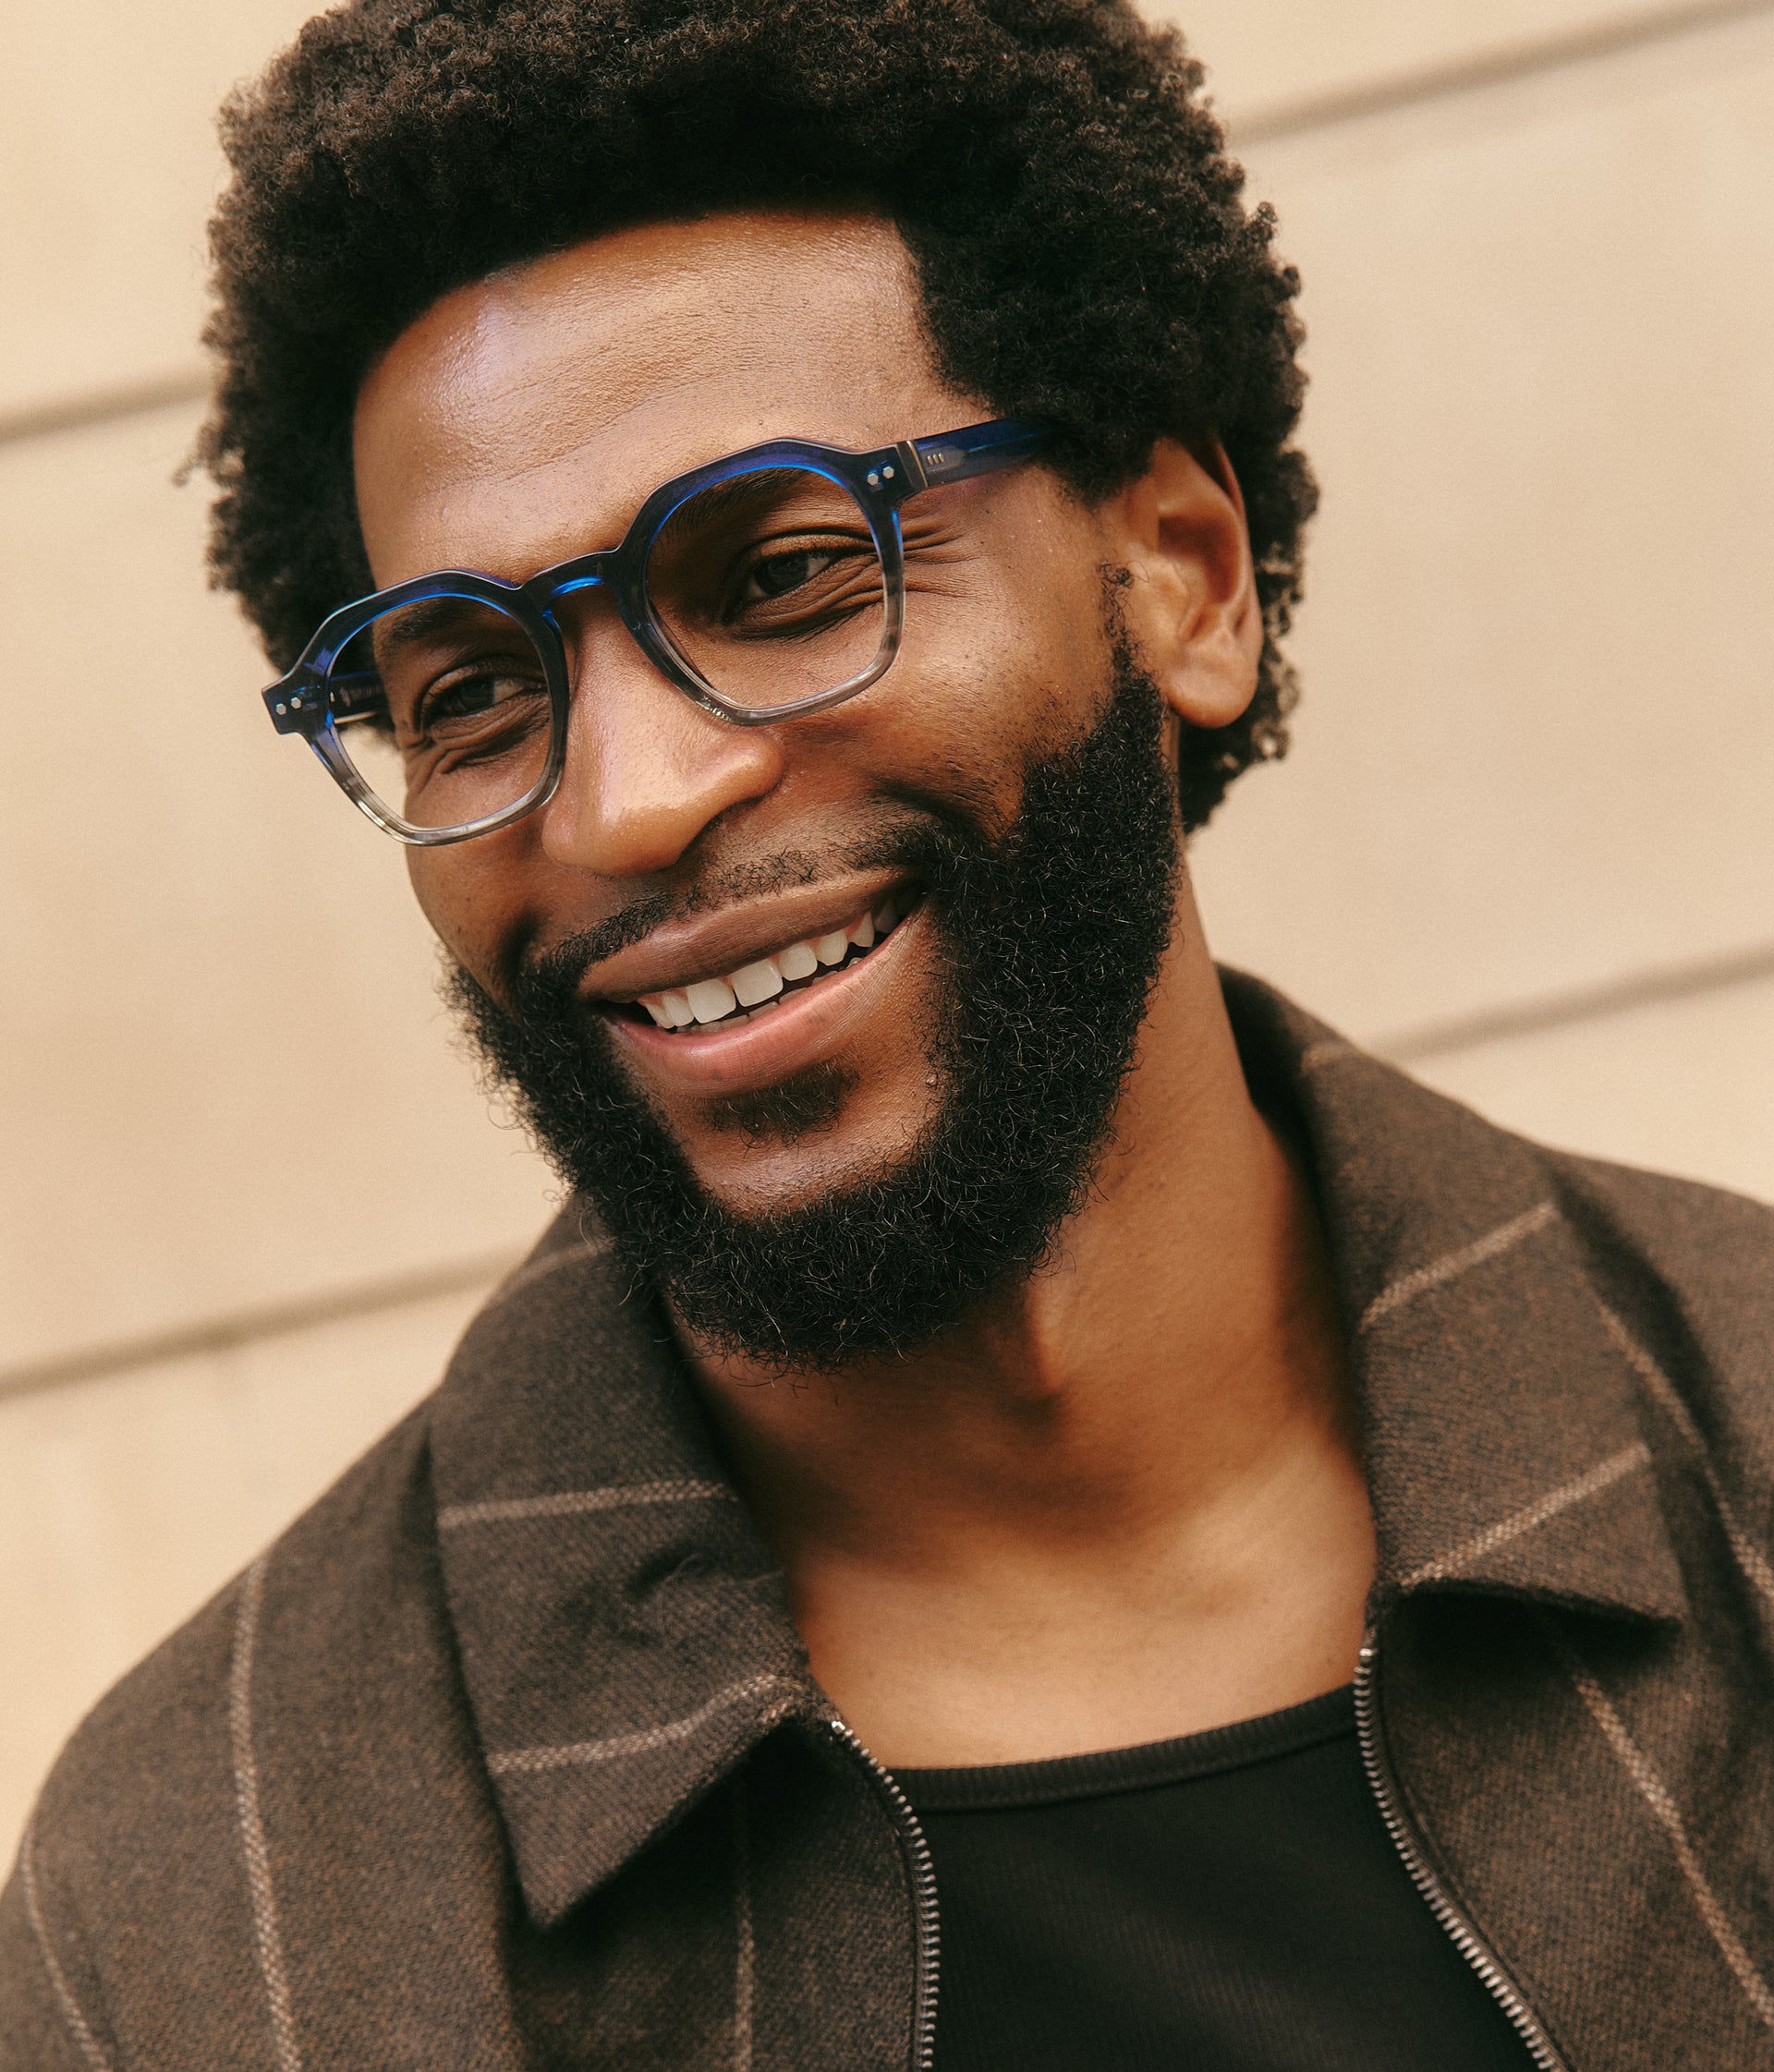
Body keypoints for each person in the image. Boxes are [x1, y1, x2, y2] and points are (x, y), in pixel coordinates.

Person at [6, 2, 1773, 2066]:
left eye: (777, 571)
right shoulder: (192, 1928)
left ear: (1184, 580)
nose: (627, 803)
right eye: (469, 689)